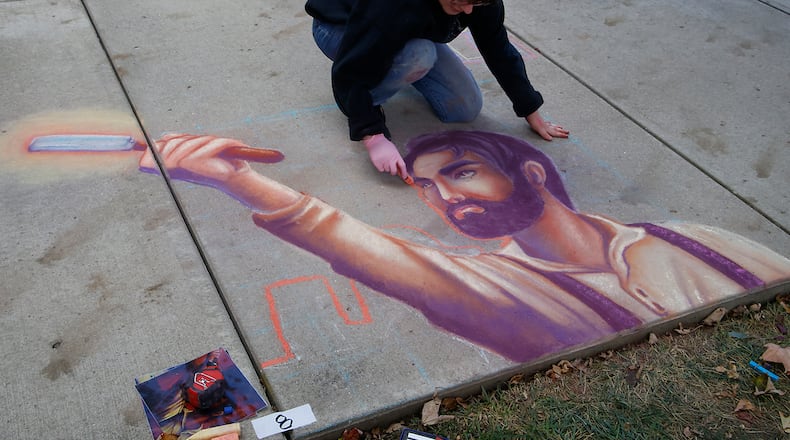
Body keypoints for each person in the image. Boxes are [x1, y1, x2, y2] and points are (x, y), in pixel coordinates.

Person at [139, 131, 790, 363]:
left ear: (531, 172)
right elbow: (376, 253)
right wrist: (241, 180)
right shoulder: (500, 290)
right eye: (426, 187)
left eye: (462, 172)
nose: (445, 199)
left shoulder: (699, 242)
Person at [305, 0, 569, 181]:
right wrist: (372, 134)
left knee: (466, 107)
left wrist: (530, 109)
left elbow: (498, 48)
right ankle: (368, 99)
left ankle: (400, 61)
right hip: (342, 29)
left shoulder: (477, 2)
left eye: (474, 3)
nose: (467, 10)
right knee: (419, 54)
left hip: (405, 29)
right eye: (460, 1)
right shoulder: (390, 6)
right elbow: (348, 71)